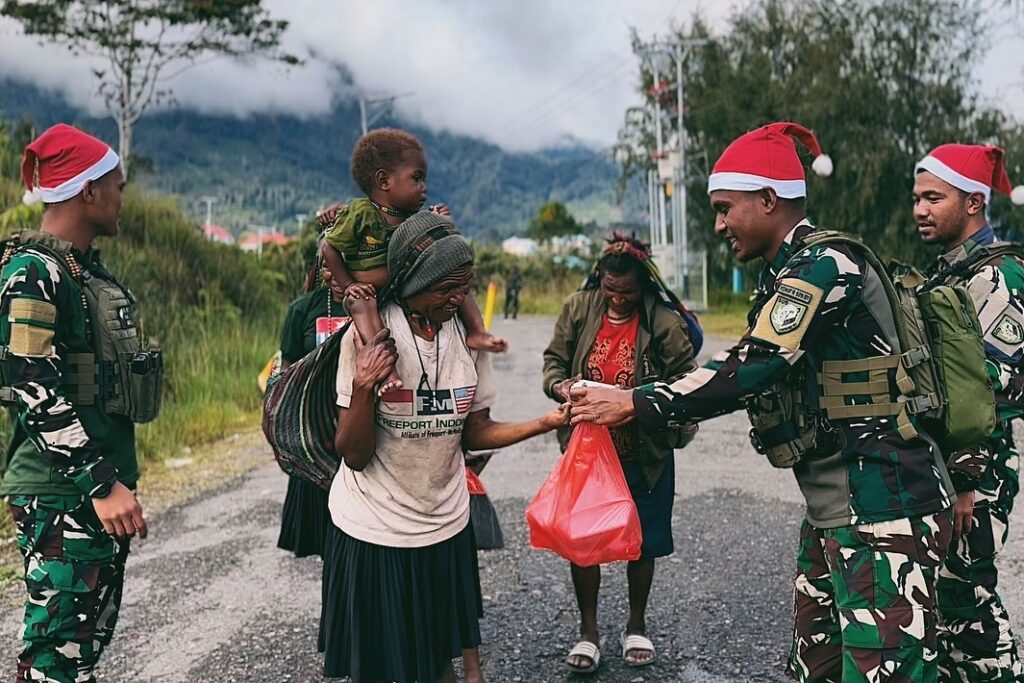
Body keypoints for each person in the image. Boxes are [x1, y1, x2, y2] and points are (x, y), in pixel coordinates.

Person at [569, 122, 957, 681]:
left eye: (725, 208)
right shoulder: (787, 273)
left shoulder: (826, 266)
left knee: (884, 671)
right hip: (836, 511)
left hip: (884, 508)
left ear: (769, 199)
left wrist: (634, 401)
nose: (719, 224)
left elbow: (751, 367)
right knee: (817, 666)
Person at [321, 210, 570, 683]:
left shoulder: (465, 336)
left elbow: (474, 432)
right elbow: (352, 454)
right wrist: (364, 386)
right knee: (382, 669)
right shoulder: (368, 336)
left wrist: (546, 422)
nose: (458, 299)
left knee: (439, 664)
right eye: (445, 289)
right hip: (375, 531)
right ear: (413, 282)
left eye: (464, 287)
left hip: (444, 527)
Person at [1, 124, 163, 682]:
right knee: (57, 656)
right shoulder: (33, 272)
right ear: (88, 191)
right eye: (117, 186)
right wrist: (101, 482)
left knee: (80, 651)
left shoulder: (79, 268)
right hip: (63, 493)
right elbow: (30, 383)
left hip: (91, 489)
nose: (122, 197)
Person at [543, 233, 697, 673]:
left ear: (643, 285)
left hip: (643, 453)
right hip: (588, 454)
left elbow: (687, 379)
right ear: (600, 280)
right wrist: (560, 386)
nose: (617, 299)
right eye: (610, 290)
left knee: (642, 542)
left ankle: (636, 624)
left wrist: (641, 402)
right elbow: (553, 362)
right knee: (582, 541)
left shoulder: (663, 321)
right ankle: (588, 632)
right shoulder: (579, 308)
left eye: (627, 292)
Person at [913, 143, 1024, 681]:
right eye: (917, 198)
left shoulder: (997, 277)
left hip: (979, 465)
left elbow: (989, 392)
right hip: (952, 460)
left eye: (934, 198)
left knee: (965, 595)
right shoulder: (951, 272)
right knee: (944, 594)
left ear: (974, 202)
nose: (919, 209)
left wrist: (964, 481)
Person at [320, 128, 506, 397]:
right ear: (384, 181)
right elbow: (329, 247)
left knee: (453, 279)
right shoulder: (361, 213)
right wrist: (348, 285)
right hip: (368, 288)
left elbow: (436, 249)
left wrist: (442, 222)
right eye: (417, 178)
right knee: (362, 304)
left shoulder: (414, 218)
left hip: (401, 286)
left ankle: (477, 330)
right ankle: (386, 370)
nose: (424, 187)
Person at [275, 246, 349, 558]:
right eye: (328, 266)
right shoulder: (303, 310)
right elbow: (287, 371)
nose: (335, 274)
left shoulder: (379, 306)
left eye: (344, 265)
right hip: (315, 433)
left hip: (355, 425)